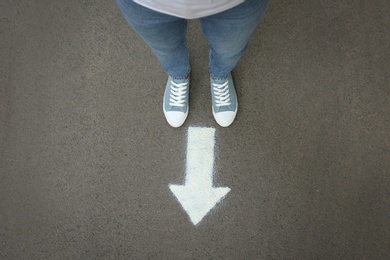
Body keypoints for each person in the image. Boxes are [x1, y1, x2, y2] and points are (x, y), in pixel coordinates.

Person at [116, 0, 268, 127]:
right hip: (147, 4)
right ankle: (179, 75)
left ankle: (220, 75)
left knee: (229, 49)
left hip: (234, 3)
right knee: (166, 49)